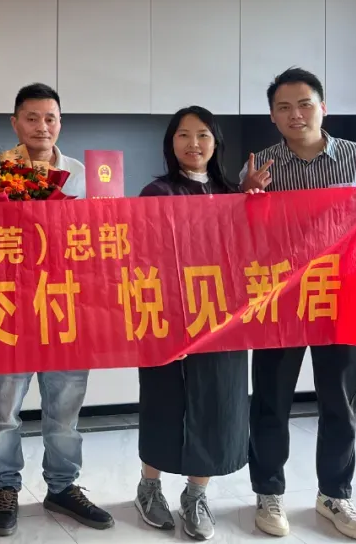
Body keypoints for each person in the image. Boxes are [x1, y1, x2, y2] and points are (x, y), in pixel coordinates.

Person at [241, 67, 356, 541]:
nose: (296, 114)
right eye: (284, 107)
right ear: (272, 116)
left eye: (305, 104)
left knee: (341, 404)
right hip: (280, 300)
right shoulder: (260, 166)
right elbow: (238, 236)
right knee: (271, 401)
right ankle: (269, 491)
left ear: (322, 107)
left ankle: (335, 494)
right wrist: (246, 198)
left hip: (343, 297)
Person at [0, 83, 113, 536]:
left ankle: (62, 487)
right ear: (15, 122)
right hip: (9, 309)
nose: (42, 126)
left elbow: (108, 236)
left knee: (65, 411)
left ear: (61, 122)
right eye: (32, 117)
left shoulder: (85, 175)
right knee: (5, 411)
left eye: (51, 118)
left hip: (67, 309)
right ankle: (6, 487)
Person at [133, 107, 248, 541]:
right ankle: (149, 487)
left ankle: (196, 495)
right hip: (167, 317)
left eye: (202, 135)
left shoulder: (232, 192)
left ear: (216, 143)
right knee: (163, 400)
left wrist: (253, 202)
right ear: (171, 143)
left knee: (217, 403)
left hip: (223, 320)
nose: (193, 143)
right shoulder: (156, 191)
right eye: (183, 135)